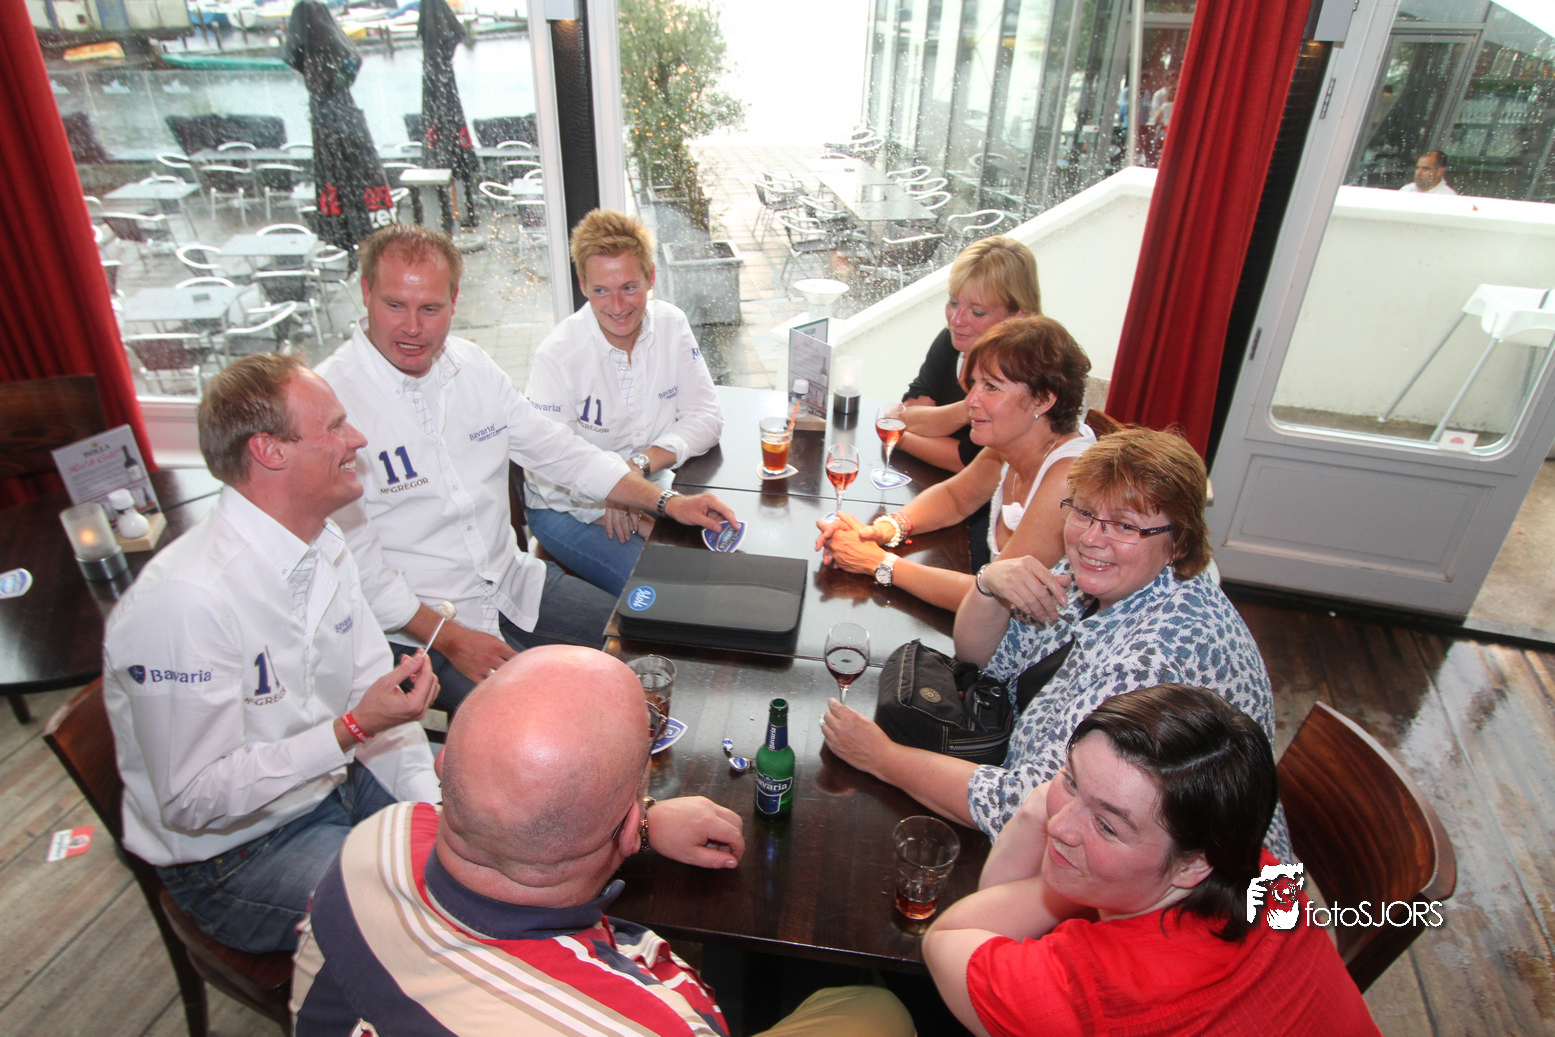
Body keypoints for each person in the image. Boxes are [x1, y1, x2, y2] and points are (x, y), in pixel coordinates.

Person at [292, 646, 916, 1037]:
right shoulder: (660, 1019)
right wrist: (632, 825)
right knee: (878, 1012)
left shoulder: (373, 841)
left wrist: (635, 822)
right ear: (627, 826)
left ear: (442, 764)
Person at [316, 224, 737, 711]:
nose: (412, 327)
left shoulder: (473, 367)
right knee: (541, 724)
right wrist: (449, 638)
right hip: (417, 632)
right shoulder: (329, 405)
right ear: (366, 292)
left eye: (430, 308)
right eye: (395, 305)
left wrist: (666, 502)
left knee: (648, 650)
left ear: (454, 300)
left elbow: (562, 452)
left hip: (513, 585)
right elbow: (358, 570)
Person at [101, 355, 440, 954]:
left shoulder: (327, 543)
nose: (358, 439)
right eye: (334, 427)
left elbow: (374, 702)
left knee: (489, 843)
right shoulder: (185, 602)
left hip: (337, 783)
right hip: (236, 855)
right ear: (270, 451)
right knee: (436, 919)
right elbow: (190, 800)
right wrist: (350, 730)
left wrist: (431, 804)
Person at [821, 426, 1287, 861]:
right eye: (1084, 511)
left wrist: (883, 759)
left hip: (1196, 883)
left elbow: (1028, 808)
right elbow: (983, 660)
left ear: (1179, 542)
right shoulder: (1105, 577)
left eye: (1125, 526)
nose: (1092, 538)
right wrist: (989, 585)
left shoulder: (1156, 657)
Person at [922, 684, 1381, 1037]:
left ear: (1193, 864)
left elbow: (948, 936)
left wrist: (1049, 841)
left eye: (1108, 826)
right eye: (1071, 780)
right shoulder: (1268, 875)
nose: (1059, 825)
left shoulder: (1084, 995)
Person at [816, 316, 1094, 611]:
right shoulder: (1017, 442)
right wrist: (883, 529)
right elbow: (956, 498)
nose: (970, 400)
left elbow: (998, 597)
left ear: (1042, 400)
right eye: (974, 384)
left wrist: (877, 562)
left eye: (991, 387)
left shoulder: (1067, 480)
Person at [523, 209, 723, 596]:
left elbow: (707, 416)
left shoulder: (672, 324)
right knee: (666, 591)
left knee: (711, 568)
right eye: (601, 290)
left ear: (651, 277)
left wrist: (634, 470)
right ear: (583, 284)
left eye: (629, 287)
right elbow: (548, 476)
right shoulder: (556, 356)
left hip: (650, 485)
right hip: (568, 509)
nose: (616, 305)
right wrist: (624, 504)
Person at [897, 236, 1043, 474]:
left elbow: (969, 462)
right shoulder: (953, 339)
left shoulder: (1025, 373)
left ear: (1018, 316)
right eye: (953, 302)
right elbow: (909, 413)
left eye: (978, 312)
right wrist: (971, 410)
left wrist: (898, 437)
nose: (956, 320)